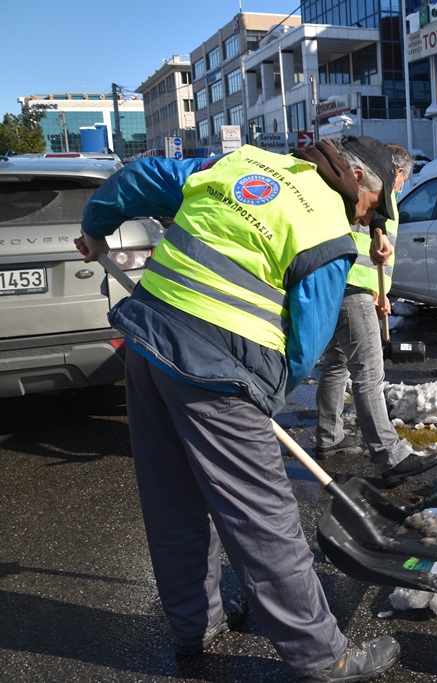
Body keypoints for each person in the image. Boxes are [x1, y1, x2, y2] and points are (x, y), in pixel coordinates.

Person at [76, 137, 402, 682]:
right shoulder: (327, 229)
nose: (371, 219)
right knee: (263, 518)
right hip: (216, 372)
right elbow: (304, 346)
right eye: (375, 206)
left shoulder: (240, 163)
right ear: (358, 180)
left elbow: (140, 178)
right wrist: (261, 399)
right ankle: (323, 657)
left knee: (172, 500)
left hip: (148, 342)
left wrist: (95, 226)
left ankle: (195, 626)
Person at [313, 144, 437, 486]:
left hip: (343, 286)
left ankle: (329, 437)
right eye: (401, 178)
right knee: (369, 373)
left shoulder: (368, 199)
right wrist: (373, 291)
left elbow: (379, 249)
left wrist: (380, 290)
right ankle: (391, 457)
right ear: (394, 173)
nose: (400, 186)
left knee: (337, 364)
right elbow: (364, 250)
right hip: (353, 288)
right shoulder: (367, 197)